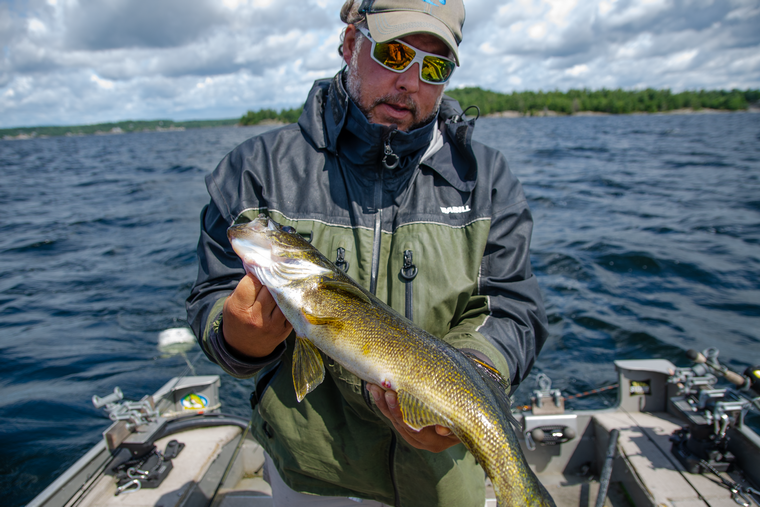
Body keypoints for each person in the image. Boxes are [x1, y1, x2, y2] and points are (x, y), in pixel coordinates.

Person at [187, 0, 548, 505]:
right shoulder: (256, 168)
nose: (411, 82)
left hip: (439, 477)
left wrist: (470, 380)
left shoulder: (486, 179)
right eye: (395, 53)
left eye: (435, 66)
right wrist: (239, 337)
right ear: (351, 45)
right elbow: (211, 295)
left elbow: (512, 308)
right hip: (308, 473)